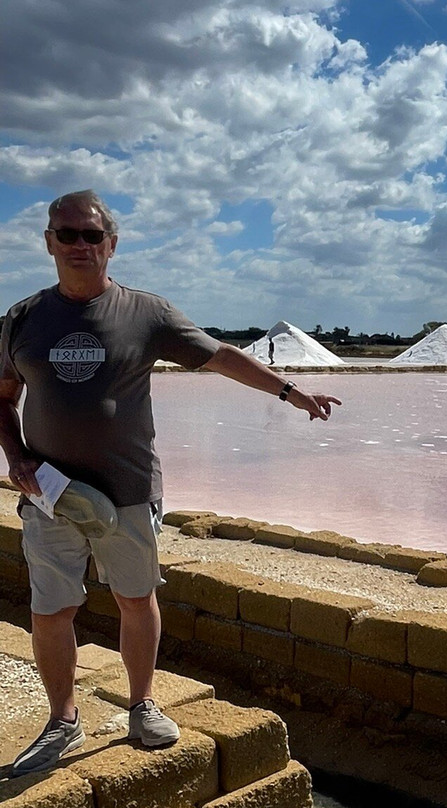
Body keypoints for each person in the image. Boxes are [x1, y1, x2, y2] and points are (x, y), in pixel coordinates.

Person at [0, 190, 342, 776]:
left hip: (128, 489)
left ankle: (142, 704)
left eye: (91, 235)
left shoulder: (146, 313)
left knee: (137, 598)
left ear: (112, 243)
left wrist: (290, 392)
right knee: (51, 610)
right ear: (49, 242)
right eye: (67, 234)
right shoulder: (23, 319)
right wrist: (17, 457)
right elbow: (3, 399)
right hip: (51, 493)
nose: (79, 245)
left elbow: (220, 356)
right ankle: (62, 719)